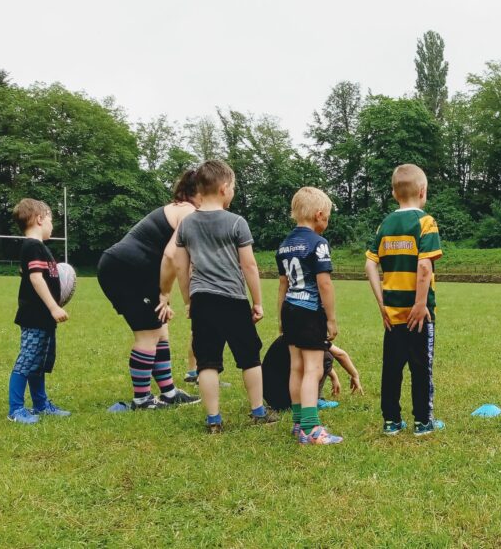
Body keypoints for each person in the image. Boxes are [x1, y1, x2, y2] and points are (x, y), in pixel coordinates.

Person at [172, 159, 276, 433]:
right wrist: (257, 301)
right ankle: (258, 411)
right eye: (233, 188)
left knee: (207, 362)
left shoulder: (187, 225)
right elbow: (249, 266)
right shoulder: (237, 223)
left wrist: (188, 300)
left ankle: (214, 420)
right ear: (224, 188)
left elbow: (181, 266)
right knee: (250, 357)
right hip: (233, 299)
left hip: (202, 300)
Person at [98, 170, 200, 409]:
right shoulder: (189, 211)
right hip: (129, 269)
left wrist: (165, 297)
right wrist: (179, 297)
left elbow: (167, 261)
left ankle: (169, 392)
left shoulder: (178, 208)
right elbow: (173, 255)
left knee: (160, 329)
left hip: (130, 269)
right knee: (148, 334)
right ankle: (142, 398)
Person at [364, 164, 444, 436]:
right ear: (423, 191)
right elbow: (424, 267)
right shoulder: (426, 222)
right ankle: (423, 421)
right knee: (422, 368)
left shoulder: (385, 224)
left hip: (392, 314)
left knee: (392, 368)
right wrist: (421, 305)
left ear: (393, 193)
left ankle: (391, 421)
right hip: (419, 314)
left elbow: (369, 265)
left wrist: (381, 304)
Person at [275, 186, 343, 445]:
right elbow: (324, 284)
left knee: (296, 367)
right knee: (313, 370)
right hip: (309, 310)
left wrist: (280, 317)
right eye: (327, 217)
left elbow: (283, 284)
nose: (327, 222)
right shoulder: (318, 243)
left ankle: (297, 423)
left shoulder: (284, 246)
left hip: (290, 309)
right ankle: (312, 427)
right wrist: (331, 318)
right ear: (318, 215)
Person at [7, 199, 71, 424]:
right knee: (27, 361)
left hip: (43, 317)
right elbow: (35, 278)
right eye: (51, 220)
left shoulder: (39, 248)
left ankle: (41, 405)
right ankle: (15, 410)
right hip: (35, 316)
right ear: (39, 218)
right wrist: (53, 307)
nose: (52, 225)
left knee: (39, 362)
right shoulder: (33, 246)